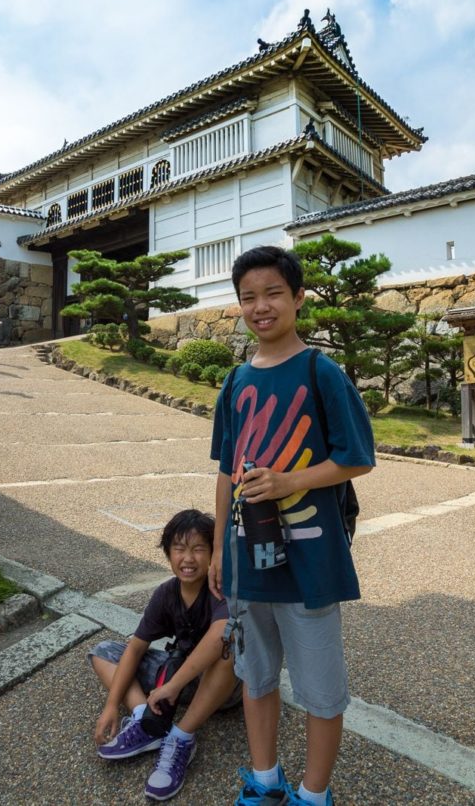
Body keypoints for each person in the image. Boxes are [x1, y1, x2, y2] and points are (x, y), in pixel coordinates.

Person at [209, 246, 375, 806]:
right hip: (246, 562)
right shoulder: (233, 382)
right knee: (255, 679)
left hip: (310, 563)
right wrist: (216, 553)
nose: (261, 306)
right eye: (248, 296)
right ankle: (265, 780)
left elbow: (357, 458)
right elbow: (226, 474)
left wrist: (287, 483)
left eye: (273, 293)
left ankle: (313, 794)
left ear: (298, 298)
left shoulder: (320, 372)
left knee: (321, 691)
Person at [89, 509, 242, 802]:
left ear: (213, 555)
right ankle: (146, 722)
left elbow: (220, 635)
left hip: (223, 688)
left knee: (228, 649)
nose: (188, 558)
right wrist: (112, 705)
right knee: (104, 652)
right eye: (179, 549)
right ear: (168, 553)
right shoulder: (166, 594)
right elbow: (136, 648)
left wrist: (170, 687)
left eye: (199, 549)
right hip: (180, 682)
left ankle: (181, 736)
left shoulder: (221, 589)